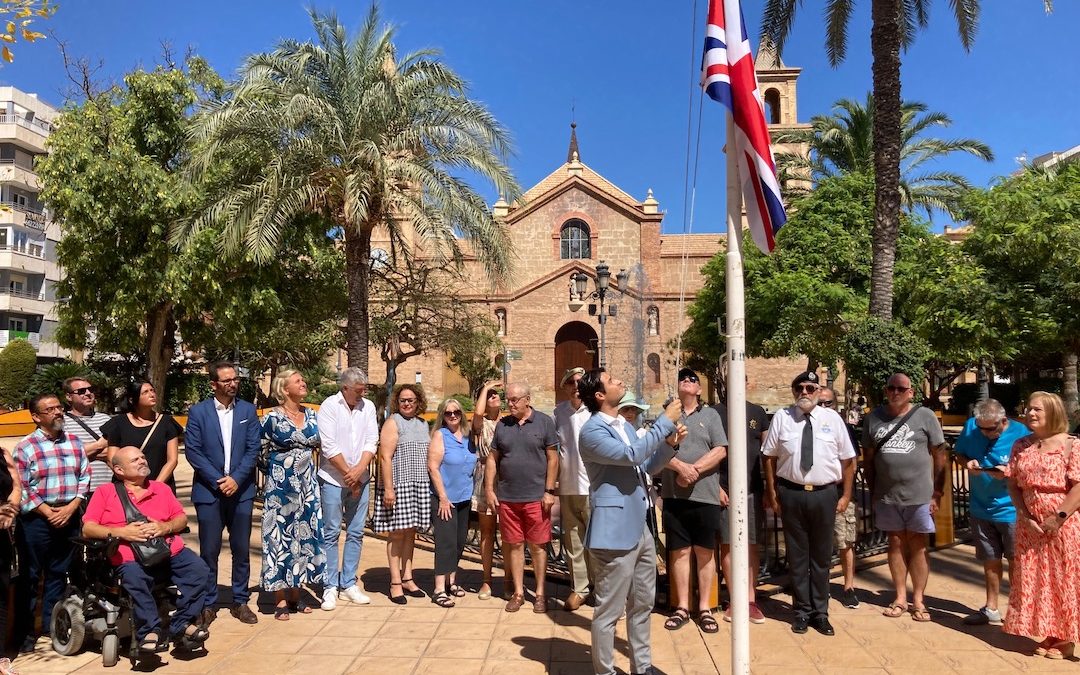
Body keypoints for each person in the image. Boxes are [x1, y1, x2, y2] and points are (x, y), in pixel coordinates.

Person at [577, 369, 686, 675]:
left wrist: (669, 445)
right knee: (609, 611)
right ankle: (605, 671)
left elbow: (645, 466)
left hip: (640, 528)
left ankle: (642, 666)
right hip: (613, 532)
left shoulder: (623, 426)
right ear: (599, 395)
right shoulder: (592, 431)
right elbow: (630, 456)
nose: (619, 381)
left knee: (642, 604)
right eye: (611, 380)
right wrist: (664, 420)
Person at [81, 446, 211, 653]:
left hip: (167, 551)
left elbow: (181, 519)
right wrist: (123, 532)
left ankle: (181, 623)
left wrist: (164, 527)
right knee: (136, 578)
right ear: (119, 470)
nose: (143, 461)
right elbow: (88, 528)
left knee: (199, 571)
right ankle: (149, 630)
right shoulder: (105, 492)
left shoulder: (161, 488)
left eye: (143, 456)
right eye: (135, 460)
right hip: (129, 556)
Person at [762, 371, 855, 636]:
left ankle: (820, 613)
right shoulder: (783, 418)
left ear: (817, 391)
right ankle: (801, 611)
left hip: (825, 494)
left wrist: (846, 495)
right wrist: (772, 492)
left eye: (810, 388)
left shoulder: (832, 419)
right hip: (791, 494)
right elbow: (768, 457)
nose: (805, 392)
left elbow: (848, 460)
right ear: (794, 392)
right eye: (800, 388)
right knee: (798, 555)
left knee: (822, 556)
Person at [862, 372, 947, 623]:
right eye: (891, 388)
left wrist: (938, 491)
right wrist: (873, 490)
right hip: (888, 496)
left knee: (918, 544)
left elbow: (939, 454)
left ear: (911, 392)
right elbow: (868, 459)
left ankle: (918, 599)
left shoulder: (925, 416)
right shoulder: (873, 418)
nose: (895, 392)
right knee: (895, 543)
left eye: (901, 388)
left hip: (919, 495)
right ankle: (900, 597)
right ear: (886, 391)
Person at [183, 362, 261, 625]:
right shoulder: (198, 412)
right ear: (214, 384)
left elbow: (253, 449)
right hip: (209, 492)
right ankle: (207, 603)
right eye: (226, 380)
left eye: (235, 379)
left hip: (241, 491)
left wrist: (236, 479)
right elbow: (193, 451)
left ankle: (240, 601)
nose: (233, 384)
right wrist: (219, 481)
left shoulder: (248, 410)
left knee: (241, 549)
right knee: (209, 550)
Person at [1003, 392, 1080, 659]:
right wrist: (1024, 515)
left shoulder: (1071, 445)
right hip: (1029, 527)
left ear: (1053, 413)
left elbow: (1079, 486)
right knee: (1038, 581)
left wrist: (1057, 518)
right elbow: (1012, 483)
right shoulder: (1021, 445)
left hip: (1063, 525)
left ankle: (1065, 639)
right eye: (1028, 409)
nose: (1030, 413)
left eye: (1037, 410)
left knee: (1063, 580)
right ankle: (1049, 633)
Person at [12, 394, 91, 652]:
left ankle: (50, 626)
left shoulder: (75, 443)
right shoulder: (26, 446)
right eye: (51, 409)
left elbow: (84, 476)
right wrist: (47, 511)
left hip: (69, 516)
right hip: (36, 520)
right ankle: (24, 635)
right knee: (31, 577)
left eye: (59, 407)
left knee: (58, 573)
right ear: (36, 417)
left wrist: (71, 507)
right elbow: (22, 485)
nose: (58, 412)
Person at [660, 367, 728, 634]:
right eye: (682, 379)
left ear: (699, 389)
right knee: (679, 552)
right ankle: (682, 607)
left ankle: (705, 608)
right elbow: (658, 449)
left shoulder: (710, 416)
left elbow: (720, 450)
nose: (686, 382)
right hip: (675, 496)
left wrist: (694, 471)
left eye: (692, 380)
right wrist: (680, 469)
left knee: (704, 552)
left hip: (704, 496)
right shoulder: (666, 415)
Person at [484, 382, 559, 613]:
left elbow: (553, 459)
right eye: (508, 399)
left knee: (538, 546)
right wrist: (489, 489)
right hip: (508, 497)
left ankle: (539, 593)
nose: (510, 403)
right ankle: (518, 592)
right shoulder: (503, 425)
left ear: (528, 399)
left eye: (515, 399)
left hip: (536, 497)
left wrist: (549, 491)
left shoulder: (544, 422)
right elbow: (492, 459)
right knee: (514, 545)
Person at [954, 398, 1029, 626]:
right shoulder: (971, 427)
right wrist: (967, 463)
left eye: (990, 429)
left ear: (1003, 421)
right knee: (990, 560)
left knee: (1017, 562)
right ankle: (991, 608)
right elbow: (959, 454)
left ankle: (1019, 612)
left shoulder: (1021, 433)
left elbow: (1030, 470)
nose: (984, 433)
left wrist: (1008, 473)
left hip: (1011, 510)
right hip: (980, 507)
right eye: (981, 428)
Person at [260, 369, 325, 620]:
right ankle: (280, 601)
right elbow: (260, 451)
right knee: (279, 539)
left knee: (304, 537)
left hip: (307, 487)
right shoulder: (271, 418)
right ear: (284, 389)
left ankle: (297, 596)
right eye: (297, 381)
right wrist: (280, 472)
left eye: (302, 379)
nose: (303, 383)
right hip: (281, 488)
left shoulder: (312, 415)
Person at [316, 367, 378, 610]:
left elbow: (371, 440)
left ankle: (349, 583)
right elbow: (328, 446)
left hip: (360, 479)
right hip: (333, 479)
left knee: (356, 532)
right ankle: (330, 586)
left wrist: (358, 471)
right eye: (358, 391)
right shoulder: (330, 406)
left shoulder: (368, 407)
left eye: (364, 390)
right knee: (331, 533)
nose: (361, 395)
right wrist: (347, 475)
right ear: (345, 388)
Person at [713, 388, 770, 623]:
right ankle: (735, 600)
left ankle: (749, 600)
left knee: (751, 544)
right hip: (725, 489)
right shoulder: (714, 412)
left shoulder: (758, 412)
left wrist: (768, 488)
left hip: (752, 488)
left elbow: (767, 453)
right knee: (727, 545)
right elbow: (711, 450)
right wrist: (716, 487)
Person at [373, 384, 432, 604]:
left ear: (418, 402)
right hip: (399, 485)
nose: (407, 403)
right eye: (403, 400)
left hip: (419, 485)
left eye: (411, 400)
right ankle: (395, 582)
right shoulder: (393, 422)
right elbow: (385, 457)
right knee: (396, 534)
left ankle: (408, 577)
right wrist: (389, 488)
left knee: (410, 533)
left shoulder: (423, 424)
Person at [426, 397, 476, 607]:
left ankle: (451, 582)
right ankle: (439, 589)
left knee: (458, 541)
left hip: (464, 497)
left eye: (456, 412)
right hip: (444, 499)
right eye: (448, 413)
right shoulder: (440, 435)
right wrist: (443, 498)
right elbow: (433, 467)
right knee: (445, 543)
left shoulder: (467, 436)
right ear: (442, 416)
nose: (453, 416)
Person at [552, 366, 593, 611]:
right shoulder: (558, 413)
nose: (576, 386)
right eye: (571, 382)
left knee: (597, 541)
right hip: (568, 486)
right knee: (573, 541)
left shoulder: (595, 412)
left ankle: (602, 587)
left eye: (580, 381)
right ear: (565, 387)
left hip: (592, 486)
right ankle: (580, 589)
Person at [819, 386, 860, 609]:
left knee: (845, 542)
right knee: (820, 544)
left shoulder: (844, 428)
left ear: (836, 404)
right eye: (821, 403)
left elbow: (851, 464)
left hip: (839, 495)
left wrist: (846, 495)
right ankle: (821, 586)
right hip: (818, 493)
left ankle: (848, 587)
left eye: (829, 403)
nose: (825, 407)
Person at [102, 380, 182, 493]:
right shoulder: (118, 423)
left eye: (152, 391)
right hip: (127, 488)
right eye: (145, 392)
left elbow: (172, 460)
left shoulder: (167, 422)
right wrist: (132, 484)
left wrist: (156, 486)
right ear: (132, 399)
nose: (151, 394)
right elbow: (112, 459)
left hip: (160, 486)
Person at [470, 380, 503, 600]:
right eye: (489, 395)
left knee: (511, 534)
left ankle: (511, 579)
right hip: (485, 479)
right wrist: (485, 388)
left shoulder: (509, 421)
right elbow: (478, 414)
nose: (493, 396)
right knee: (487, 532)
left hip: (508, 476)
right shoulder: (481, 425)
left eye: (495, 394)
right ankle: (486, 579)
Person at [61, 377, 112, 496]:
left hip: (109, 488)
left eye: (90, 390)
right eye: (81, 391)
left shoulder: (105, 419)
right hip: (79, 491)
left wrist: (86, 451)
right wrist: (100, 445)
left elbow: (117, 451)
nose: (88, 393)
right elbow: (64, 455)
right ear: (69, 397)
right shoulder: (62, 422)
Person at [0, 444, 22, 657]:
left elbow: (16, 486)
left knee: (1, 595)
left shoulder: (3, 453)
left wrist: (10, 510)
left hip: (1, 533)